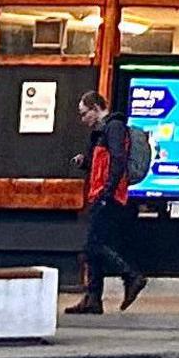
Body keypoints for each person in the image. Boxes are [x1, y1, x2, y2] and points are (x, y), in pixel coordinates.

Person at [65, 89, 149, 315]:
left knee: (93, 245)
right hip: (102, 194)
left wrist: (107, 191)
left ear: (95, 108)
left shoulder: (114, 127)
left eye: (84, 114)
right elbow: (102, 163)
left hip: (108, 196)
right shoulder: (102, 131)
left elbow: (118, 161)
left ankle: (130, 276)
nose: (83, 119)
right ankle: (93, 299)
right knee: (95, 246)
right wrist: (85, 163)